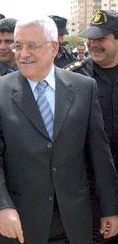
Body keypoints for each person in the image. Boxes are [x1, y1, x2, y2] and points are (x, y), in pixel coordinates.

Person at [0, 16, 118, 244]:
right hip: (18, 222)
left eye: (32, 46)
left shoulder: (84, 88)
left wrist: (110, 208)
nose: (23, 53)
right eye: (18, 46)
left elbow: (99, 154)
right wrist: (1, 206)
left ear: (54, 47)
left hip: (73, 222)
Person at [79, 9, 118, 244]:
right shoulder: (74, 77)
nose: (93, 44)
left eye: (100, 38)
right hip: (91, 186)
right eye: (90, 38)